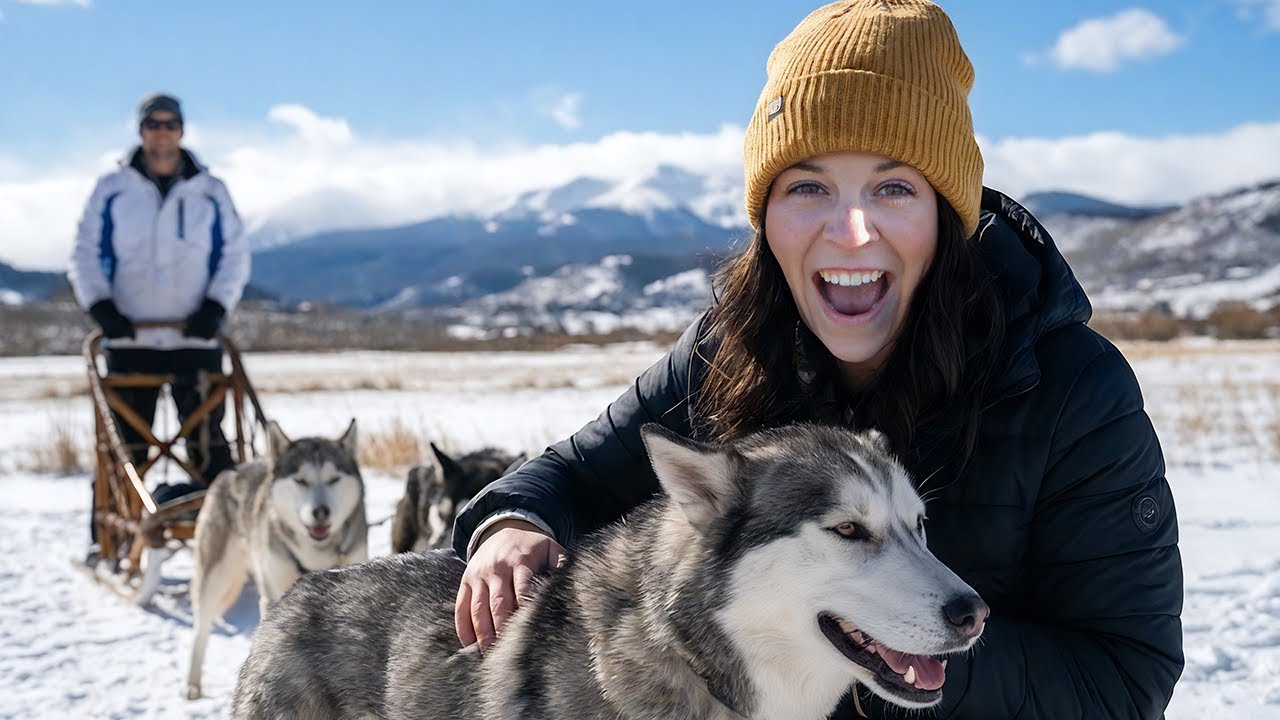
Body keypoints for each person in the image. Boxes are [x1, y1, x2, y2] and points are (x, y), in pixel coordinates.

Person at [451, 1, 1183, 718]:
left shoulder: (1068, 389)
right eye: (808, 186)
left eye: (893, 187)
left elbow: (1124, 679)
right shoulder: (729, 348)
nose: (851, 232)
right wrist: (513, 522)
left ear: (945, 213)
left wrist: (905, 647)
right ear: (765, 216)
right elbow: (570, 477)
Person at [68, 93, 250, 554]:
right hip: (131, 338)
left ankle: (227, 542)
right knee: (127, 448)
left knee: (209, 448)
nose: (162, 132)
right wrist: (101, 306)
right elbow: (85, 251)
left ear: (182, 130)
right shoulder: (113, 188)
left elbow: (234, 254)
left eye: (170, 124)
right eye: (154, 124)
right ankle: (111, 539)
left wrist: (215, 306)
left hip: (195, 336)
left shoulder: (210, 190)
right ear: (141, 129)